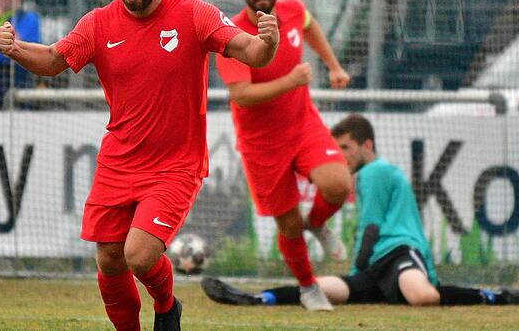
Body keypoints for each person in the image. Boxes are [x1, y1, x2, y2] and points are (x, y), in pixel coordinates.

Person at [0, 0, 279, 331]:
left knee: (140, 255)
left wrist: (267, 43)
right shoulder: (98, 23)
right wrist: (15, 48)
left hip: (175, 166)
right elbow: (55, 59)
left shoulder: (194, 14)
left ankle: (167, 306)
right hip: (118, 162)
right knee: (109, 261)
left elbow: (250, 50)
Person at [201, 113, 519, 307]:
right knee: (327, 289)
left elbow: (372, 228)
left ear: (367, 145)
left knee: (423, 297)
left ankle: (495, 295)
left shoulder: (374, 172)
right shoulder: (367, 175)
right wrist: (359, 277)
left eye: (345, 148)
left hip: (398, 253)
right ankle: (259, 298)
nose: (340, 155)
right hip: (377, 263)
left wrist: (358, 269)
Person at [214, 0, 353, 311]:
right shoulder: (230, 36)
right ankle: (309, 288)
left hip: (303, 124)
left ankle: (318, 224)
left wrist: (333, 66)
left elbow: (310, 27)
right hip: (261, 145)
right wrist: (290, 81)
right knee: (289, 225)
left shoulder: (293, 9)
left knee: (338, 185)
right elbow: (241, 95)